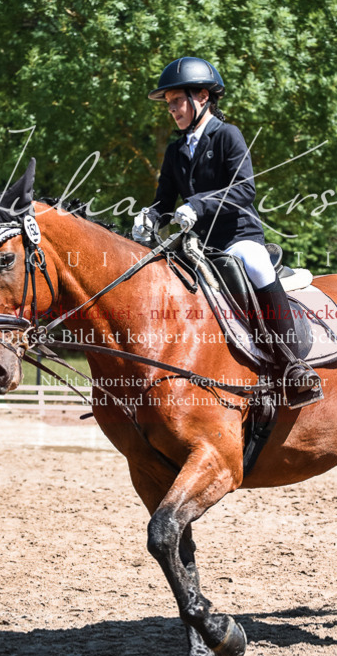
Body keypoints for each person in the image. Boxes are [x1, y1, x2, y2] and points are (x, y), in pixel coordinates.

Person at [132, 56, 321, 404]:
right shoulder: (176, 150)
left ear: (202, 96)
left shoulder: (227, 135)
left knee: (256, 265)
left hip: (238, 238)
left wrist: (197, 205)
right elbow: (165, 200)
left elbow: (244, 189)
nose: (172, 109)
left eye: (177, 101)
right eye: (169, 104)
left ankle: (293, 364)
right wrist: (149, 217)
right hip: (197, 245)